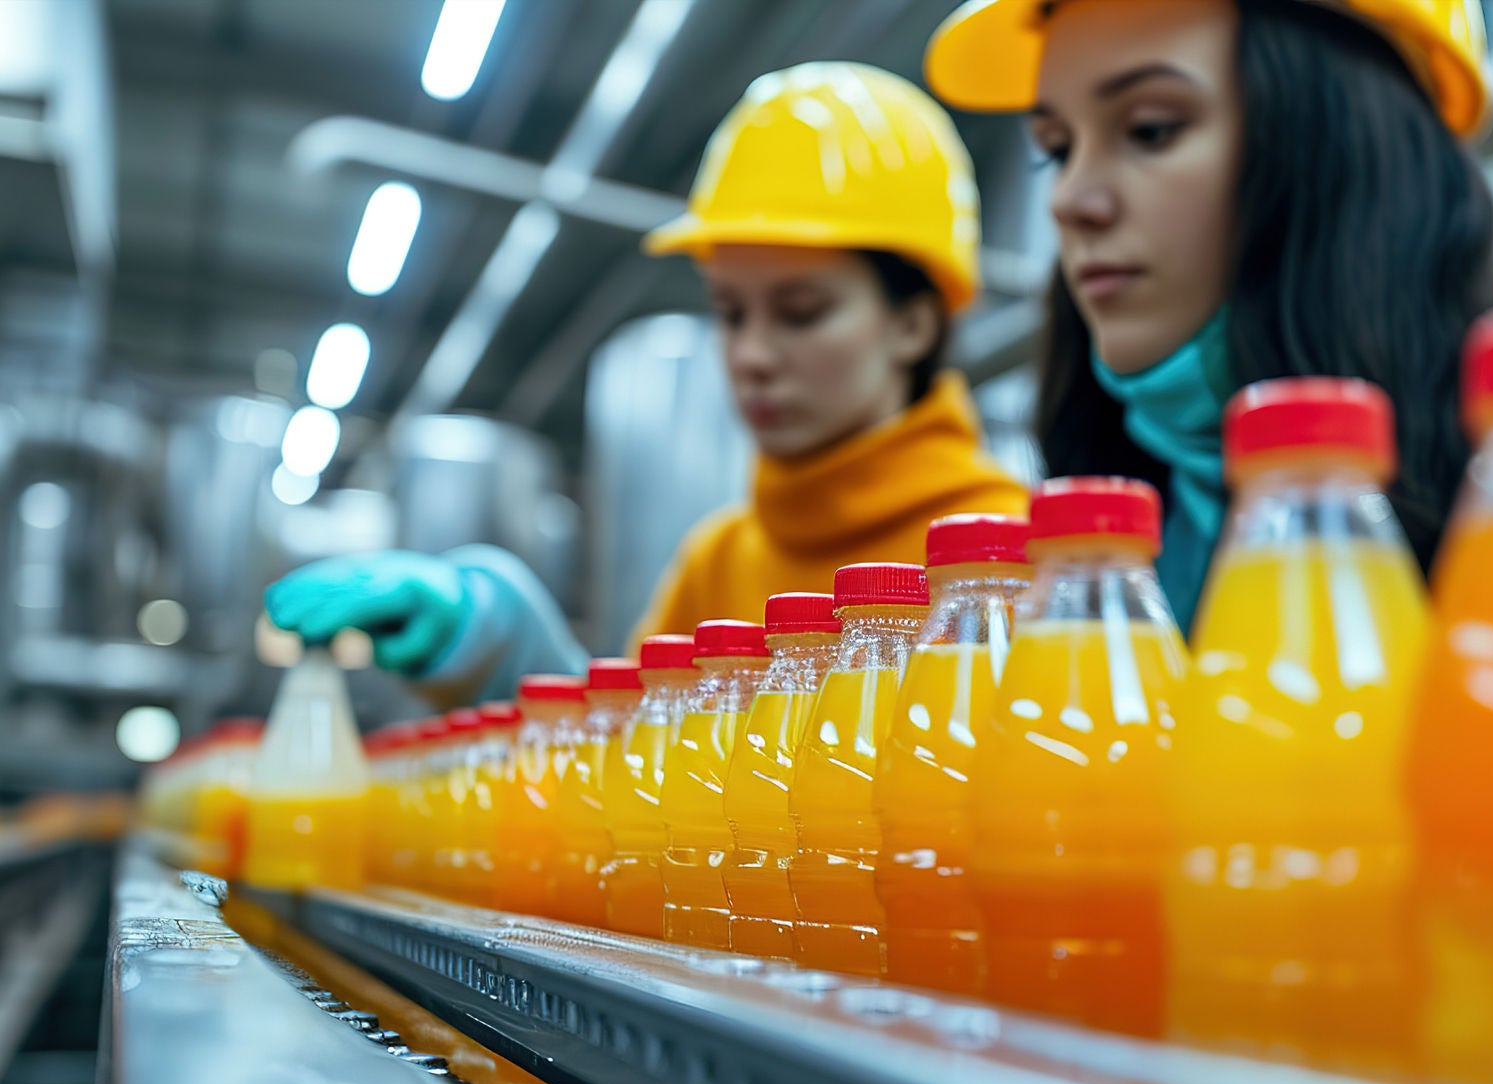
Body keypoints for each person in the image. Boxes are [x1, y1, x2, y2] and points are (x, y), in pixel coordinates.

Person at [923, 0, 1493, 628]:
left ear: (1339, 142)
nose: (1072, 200)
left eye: (1149, 129)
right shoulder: (1144, 526)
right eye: (1057, 150)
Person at [266, 62, 1027, 703]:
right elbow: (626, 775)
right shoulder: (718, 561)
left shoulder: (1008, 558)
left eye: (801, 313)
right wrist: (492, 641)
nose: (751, 354)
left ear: (915, 325)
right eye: (729, 313)